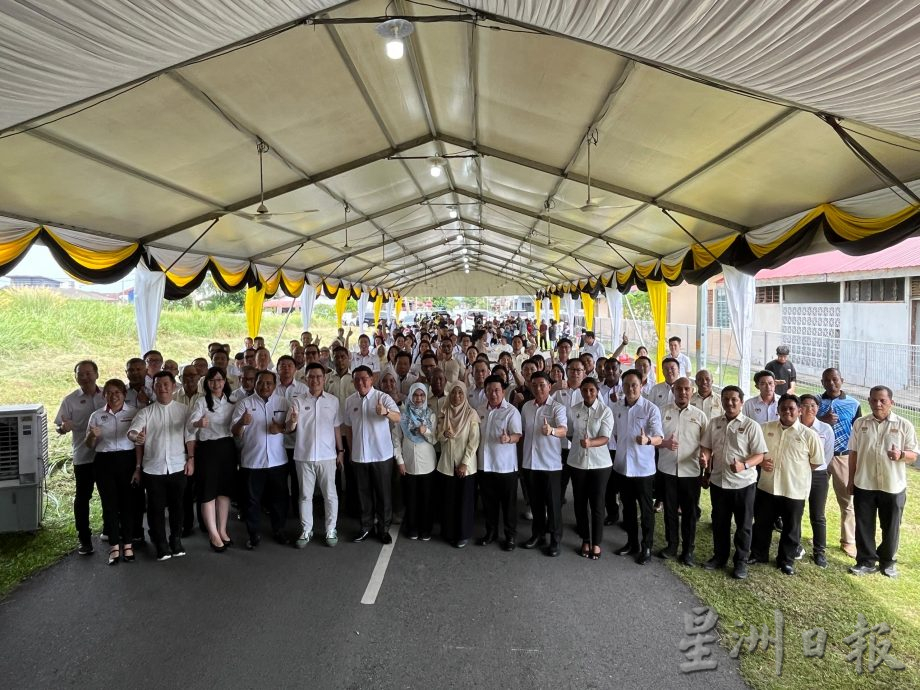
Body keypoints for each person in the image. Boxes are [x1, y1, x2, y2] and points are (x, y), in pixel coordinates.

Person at [847, 386, 918, 578]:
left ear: (891, 403)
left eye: (882, 401)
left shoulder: (904, 425)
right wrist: (850, 479)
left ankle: (887, 562)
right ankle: (866, 561)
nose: (878, 404)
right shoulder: (860, 424)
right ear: (869, 401)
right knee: (863, 524)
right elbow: (853, 453)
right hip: (864, 483)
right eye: (873, 400)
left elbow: (913, 455)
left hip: (892, 485)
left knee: (891, 525)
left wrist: (901, 454)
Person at [748, 394, 823, 575]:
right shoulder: (765, 428)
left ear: (799, 411)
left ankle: (786, 560)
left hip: (793, 489)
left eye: (792, 408)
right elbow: (754, 452)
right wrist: (760, 463)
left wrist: (795, 470)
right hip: (767, 486)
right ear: (778, 410)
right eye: (784, 408)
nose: (787, 411)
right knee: (762, 523)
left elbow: (816, 462)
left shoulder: (809, 435)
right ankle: (758, 554)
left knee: (791, 527)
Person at [699, 385, 768, 579]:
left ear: (741, 402)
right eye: (726, 399)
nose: (729, 403)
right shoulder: (714, 423)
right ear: (721, 402)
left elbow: (760, 455)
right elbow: (706, 447)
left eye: (734, 400)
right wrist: (705, 459)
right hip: (719, 482)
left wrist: (744, 465)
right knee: (719, 522)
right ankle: (719, 557)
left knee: (743, 525)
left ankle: (740, 562)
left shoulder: (751, 425)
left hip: (743, 484)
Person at [128, 371, 195, 561]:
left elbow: (189, 436)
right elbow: (133, 432)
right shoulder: (146, 412)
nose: (162, 388)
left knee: (177, 506)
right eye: (158, 385)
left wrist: (191, 458)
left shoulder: (183, 410)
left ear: (174, 387)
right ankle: (161, 543)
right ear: (154, 388)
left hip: (177, 466)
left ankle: (176, 539)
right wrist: (136, 436)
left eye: (166, 384)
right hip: (153, 468)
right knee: (155, 508)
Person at [231, 370, 291, 549]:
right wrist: (242, 422)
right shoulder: (244, 404)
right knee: (252, 501)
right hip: (252, 462)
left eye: (269, 383)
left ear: (275, 384)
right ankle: (253, 534)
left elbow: (291, 427)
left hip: (277, 461)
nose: (265, 386)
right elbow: (234, 432)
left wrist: (280, 428)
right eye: (261, 383)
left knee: (279, 499)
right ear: (255, 384)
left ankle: (279, 530)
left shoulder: (283, 402)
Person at [343, 366, 401, 544]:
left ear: (372, 379)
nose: (360, 382)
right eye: (357, 379)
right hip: (359, 456)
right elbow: (348, 429)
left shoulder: (382, 397)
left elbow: (398, 417)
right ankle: (366, 526)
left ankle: (383, 528)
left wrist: (385, 412)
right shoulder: (349, 401)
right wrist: (352, 451)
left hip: (381, 455)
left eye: (364, 378)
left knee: (384, 494)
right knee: (363, 494)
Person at [289, 362, 343, 548]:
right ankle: (306, 530)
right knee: (305, 496)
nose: (315, 380)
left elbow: (336, 428)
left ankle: (330, 529)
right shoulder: (297, 400)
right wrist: (293, 421)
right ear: (305, 379)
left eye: (319, 376)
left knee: (330, 495)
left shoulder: (333, 401)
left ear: (324, 378)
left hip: (327, 455)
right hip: (303, 456)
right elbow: (289, 428)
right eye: (311, 376)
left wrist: (340, 451)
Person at [611, 369, 663, 565]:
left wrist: (647, 439)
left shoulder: (650, 409)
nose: (630, 388)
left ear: (641, 386)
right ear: (622, 387)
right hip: (623, 467)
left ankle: (647, 545)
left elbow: (659, 438)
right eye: (627, 385)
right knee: (628, 509)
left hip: (643, 470)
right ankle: (632, 543)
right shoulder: (617, 408)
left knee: (646, 510)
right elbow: (615, 435)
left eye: (634, 385)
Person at [657, 377, 708, 566]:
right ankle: (671, 546)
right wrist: (664, 443)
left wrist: (705, 460)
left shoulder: (700, 416)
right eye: (679, 389)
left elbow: (706, 444)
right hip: (667, 470)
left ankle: (688, 550)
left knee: (690, 513)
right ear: (674, 390)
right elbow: (654, 439)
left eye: (687, 389)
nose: (683, 392)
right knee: (669, 511)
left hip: (691, 472)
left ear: (692, 391)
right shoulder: (662, 412)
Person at [56, 360, 105, 555]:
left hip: (105, 455)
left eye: (88, 373)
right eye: (80, 374)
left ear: (96, 374)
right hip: (83, 457)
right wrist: (62, 428)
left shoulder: (108, 395)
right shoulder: (70, 400)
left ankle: (110, 530)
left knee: (108, 495)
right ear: (75, 377)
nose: (85, 377)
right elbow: (59, 426)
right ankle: (84, 539)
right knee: (83, 498)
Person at [85, 379, 136, 565]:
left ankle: (128, 544)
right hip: (104, 462)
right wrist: (92, 435)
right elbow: (89, 445)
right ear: (104, 394)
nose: (113, 396)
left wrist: (138, 466)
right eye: (109, 392)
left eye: (117, 392)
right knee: (110, 504)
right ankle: (114, 545)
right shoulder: (97, 416)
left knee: (127, 503)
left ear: (124, 394)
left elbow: (139, 441)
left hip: (128, 460)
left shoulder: (134, 412)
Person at [187, 367, 236, 552]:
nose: (216, 384)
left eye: (219, 380)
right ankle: (213, 533)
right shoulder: (201, 402)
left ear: (225, 381)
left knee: (224, 491)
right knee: (208, 492)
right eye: (212, 381)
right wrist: (198, 423)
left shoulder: (232, 401)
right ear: (207, 383)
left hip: (227, 448)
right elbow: (189, 426)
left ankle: (222, 530)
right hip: (207, 450)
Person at [520, 372, 567, 557]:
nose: (538, 388)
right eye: (534, 385)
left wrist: (552, 430)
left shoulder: (557, 408)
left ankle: (555, 540)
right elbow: (523, 433)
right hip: (530, 463)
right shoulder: (526, 407)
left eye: (542, 385)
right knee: (536, 503)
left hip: (550, 465)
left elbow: (564, 430)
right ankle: (538, 535)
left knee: (553, 505)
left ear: (549, 386)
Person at [567, 377, 614, 560]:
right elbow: (570, 434)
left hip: (600, 464)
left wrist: (590, 443)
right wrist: (580, 445)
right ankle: (585, 539)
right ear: (580, 391)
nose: (588, 394)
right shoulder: (573, 410)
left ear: (597, 391)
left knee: (597, 504)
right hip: (577, 463)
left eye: (592, 390)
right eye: (585, 390)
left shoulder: (605, 411)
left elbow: (605, 438)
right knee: (580, 503)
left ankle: (597, 543)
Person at [817, 367, 861, 558]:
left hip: (842, 456)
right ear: (822, 383)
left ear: (841, 380)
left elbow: (858, 431)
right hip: (818, 455)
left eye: (835, 379)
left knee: (847, 500)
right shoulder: (816, 402)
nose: (831, 383)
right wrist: (822, 419)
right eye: (827, 380)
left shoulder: (853, 403)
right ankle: (816, 536)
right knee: (815, 497)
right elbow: (805, 423)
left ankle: (848, 540)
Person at [475, 375, 523, 551]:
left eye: (496, 390)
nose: (493, 393)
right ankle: (491, 532)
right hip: (485, 465)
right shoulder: (480, 410)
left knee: (508, 504)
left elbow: (518, 435)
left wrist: (508, 438)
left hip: (505, 467)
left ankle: (510, 536)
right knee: (489, 503)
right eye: (489, 390)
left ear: (503, 391)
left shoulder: (511, 411)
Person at [436, 382, 481, 548]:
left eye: (460, 393)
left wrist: (464, 463)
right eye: (454, 393)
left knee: (464, 502)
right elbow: (437, 436)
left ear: (465, 395)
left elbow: (474, 441)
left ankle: (463, 534)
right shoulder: (444, 411)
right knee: (449, 501)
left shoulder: (471, 414)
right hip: (447, 464)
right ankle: (448, 532)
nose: (457, 397)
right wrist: (444, 434)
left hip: (465, 466)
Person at [394, 383, 437, 541]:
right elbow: (396, 439)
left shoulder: (430, 415)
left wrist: (425, 431)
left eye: (422, 395)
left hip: (428, 463)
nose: (418, 399)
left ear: (426, 397)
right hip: (409, 462)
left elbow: (434, 439)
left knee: (426, 499)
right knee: (411, 498)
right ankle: (412, 527)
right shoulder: (403, 415)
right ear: (410, 396)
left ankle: (426, 529)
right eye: (415, 395)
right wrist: (399, 460)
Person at [798, 394, 835, 567]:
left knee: (818, 515)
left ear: (818, 408)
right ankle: (795, 546)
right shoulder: (795, 427)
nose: (809, 409)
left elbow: (827, 455)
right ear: (799, 408)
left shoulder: (825, 429)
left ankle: (819, 552)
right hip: (796, 474)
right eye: (805, 405)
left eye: (813, 405)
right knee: (795, 511)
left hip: (818, 475)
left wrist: (817, 469)